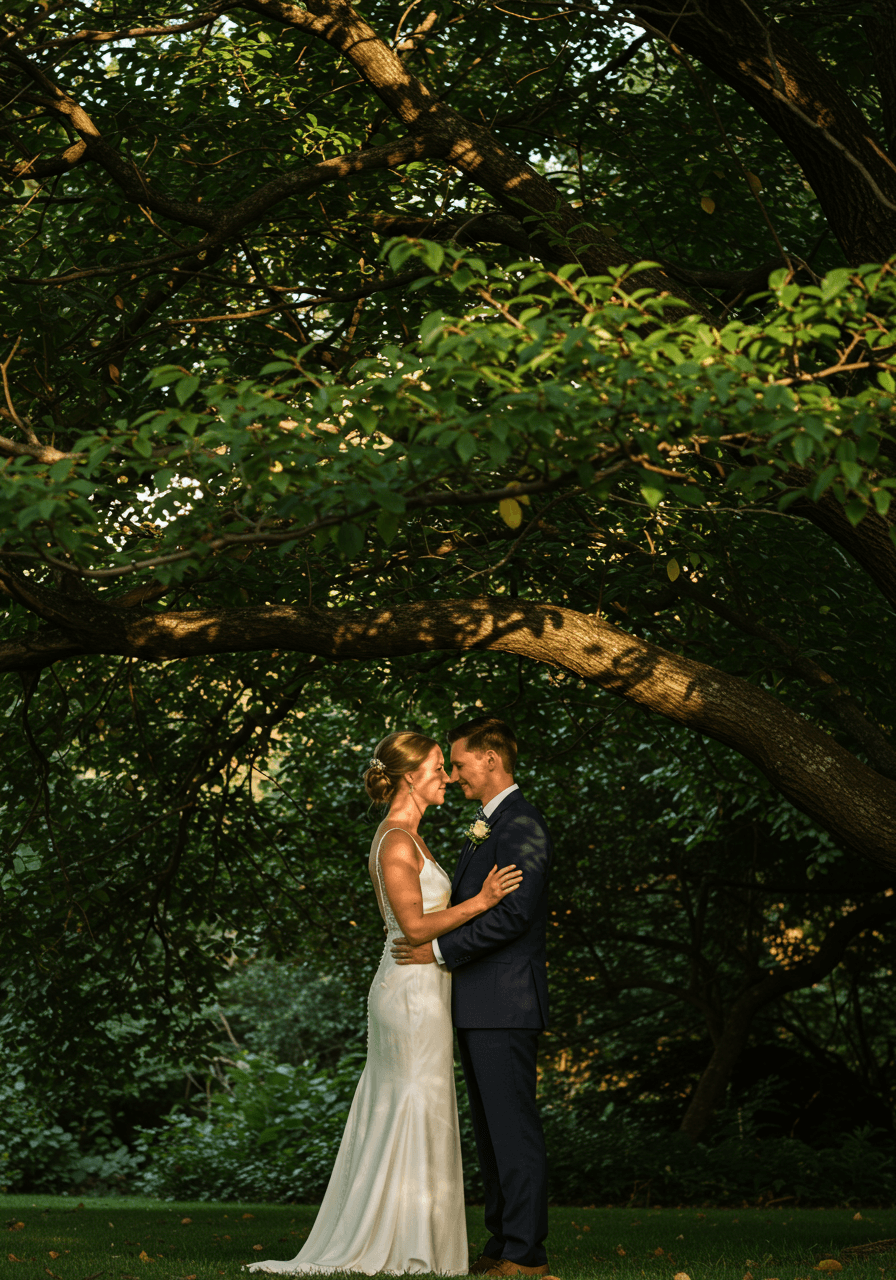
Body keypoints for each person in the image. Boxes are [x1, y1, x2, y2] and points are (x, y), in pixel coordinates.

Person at [248, 729, 523, 1276]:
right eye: (438, 766)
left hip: (426, 988)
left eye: (448, 765)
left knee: (423, 1104)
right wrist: (482, 901)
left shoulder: (413, 836)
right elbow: (416, 928)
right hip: (409, 992)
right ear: (410, 776)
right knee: (412, 1103)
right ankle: (402, 1246)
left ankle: (420, 1241)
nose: (447, 775)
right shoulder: (396, 840)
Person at [392, 716, 552, 1279]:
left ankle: (526, 1255)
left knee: (513, 1128)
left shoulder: (521, 824)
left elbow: (513, 914)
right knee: (490, 1131)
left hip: (505, 1000)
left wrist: (438, 955)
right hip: (478, 1003)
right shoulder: (490, 824)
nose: (455, 775)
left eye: (458, 764)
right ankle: (501, 1244)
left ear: (490, 758)